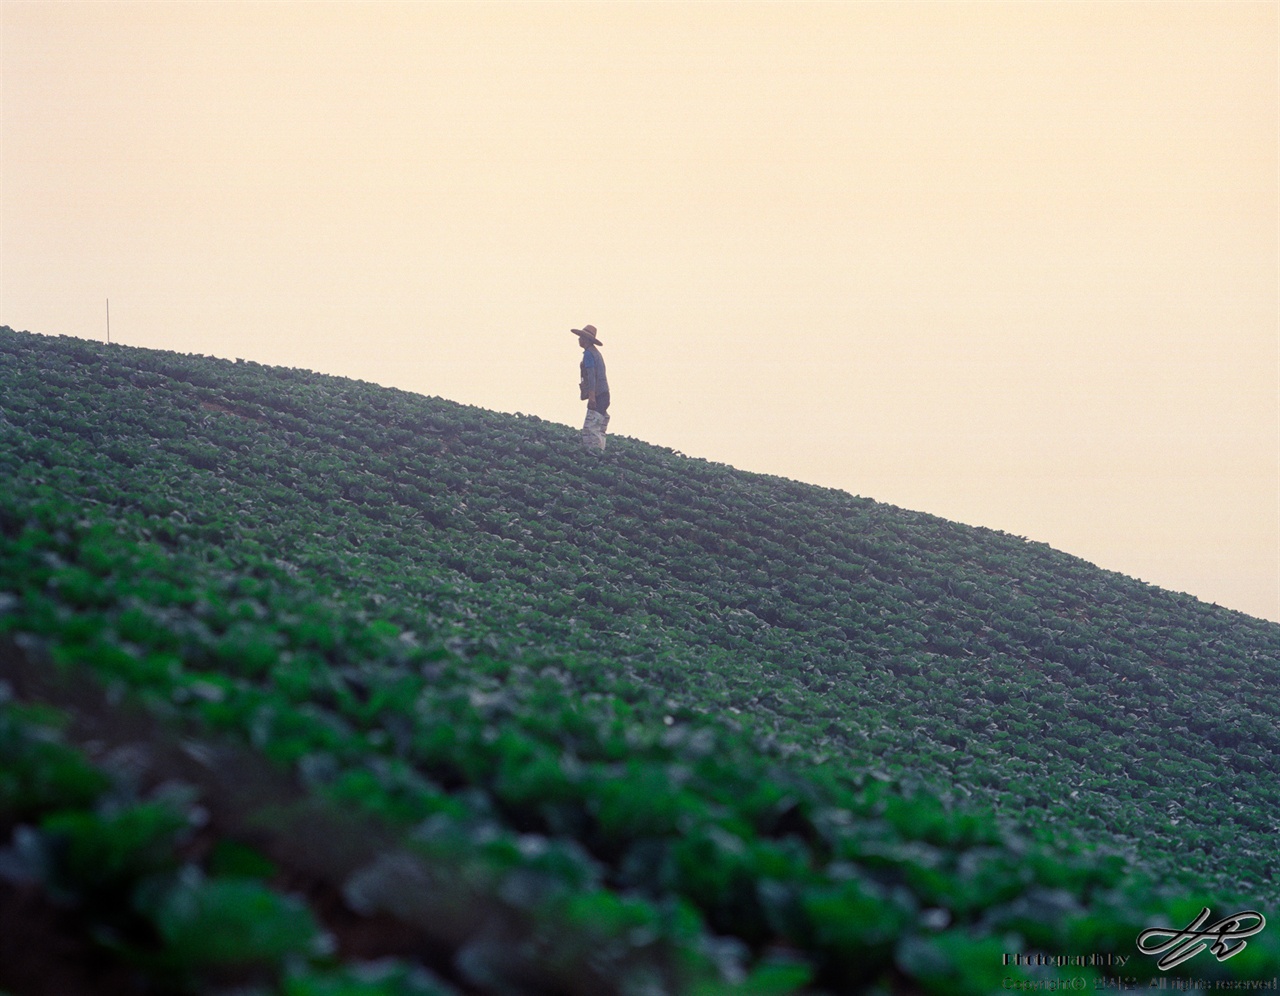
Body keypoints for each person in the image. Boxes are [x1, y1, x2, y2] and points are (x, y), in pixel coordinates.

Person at [573, 324, 610, 452]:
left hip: (598, 395)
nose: (579, 339)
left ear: (586, 340)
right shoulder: (596, 353)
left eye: (581, 337)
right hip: (604, 394)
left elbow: (592, 375)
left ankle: (595, 454)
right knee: (599, 428)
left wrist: (592, 396)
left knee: (590, 428)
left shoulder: (589, 354)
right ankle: (600, 452)